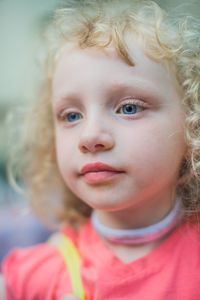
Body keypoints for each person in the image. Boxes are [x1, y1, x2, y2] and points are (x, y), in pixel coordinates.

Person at [1, 0, 200, 299]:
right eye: (71, 116)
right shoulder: (30, 279)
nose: (90, 135)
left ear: (192, 127)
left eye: (129, 107)